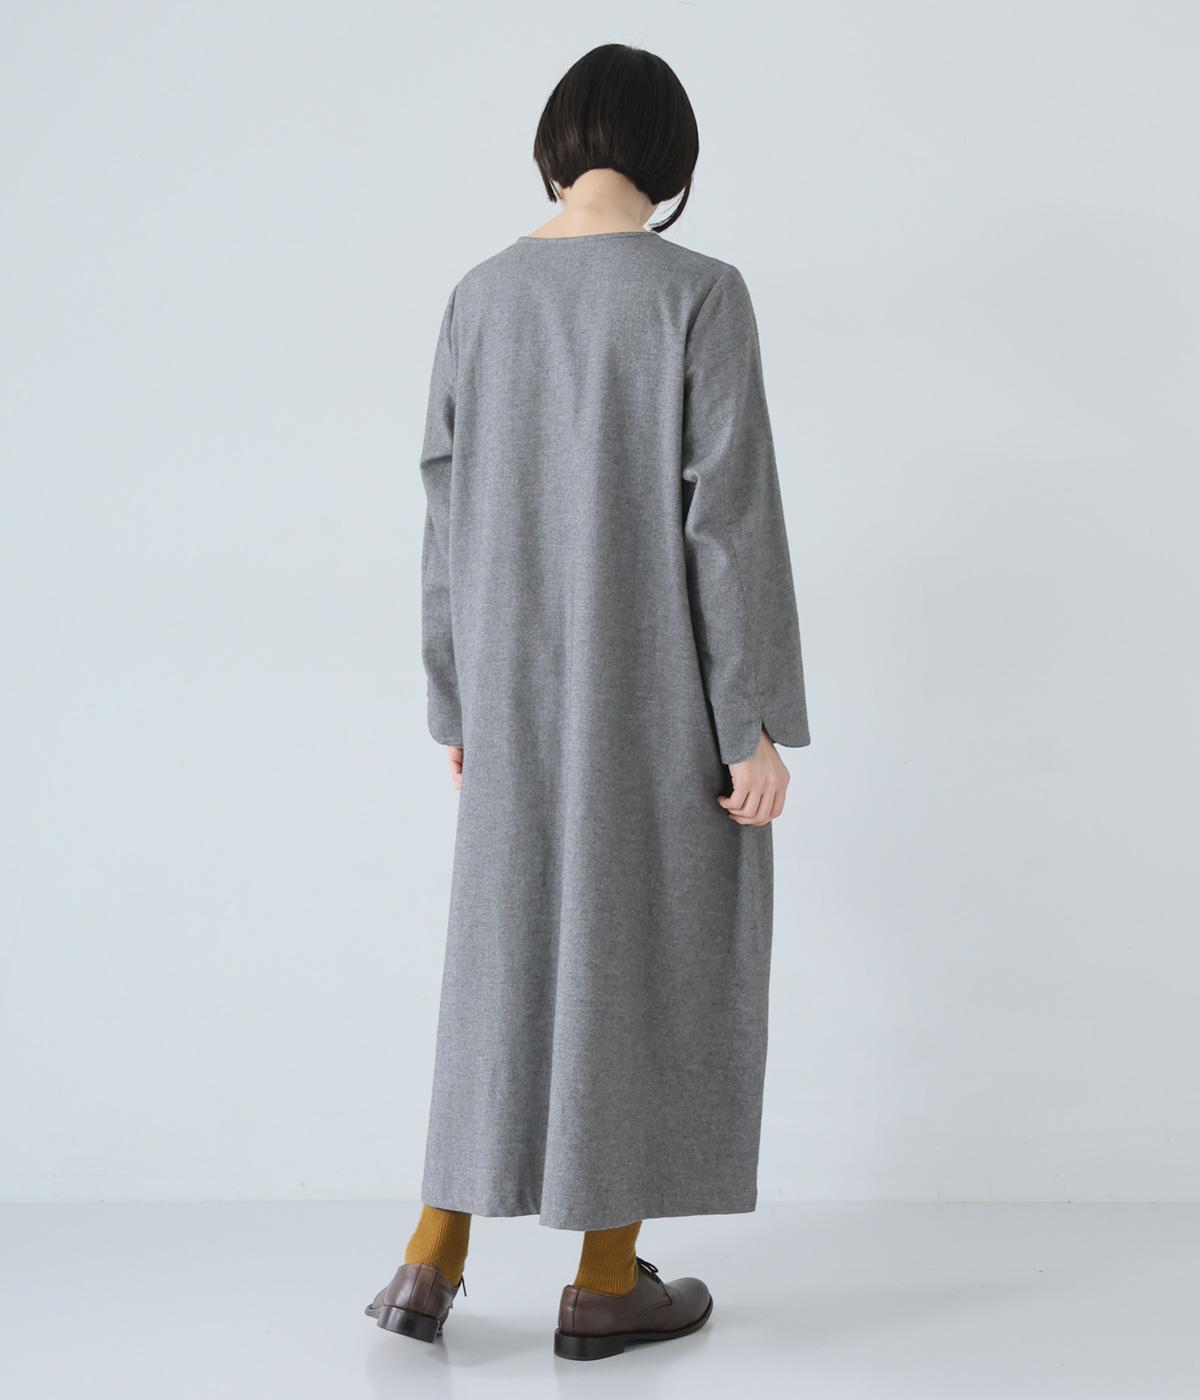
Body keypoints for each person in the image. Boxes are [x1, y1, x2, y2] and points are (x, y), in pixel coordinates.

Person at [366, 42, 809, 1362]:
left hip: (512, 695)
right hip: (654, 694)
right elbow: (725, 520)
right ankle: (606, 1282)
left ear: (556, 147)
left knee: (503, 958)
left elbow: (444, 513)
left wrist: (456, 701)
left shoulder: (481, 296)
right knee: (647, 955)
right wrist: (749, 720)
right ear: (671, 160)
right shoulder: (698, 293)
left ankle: (429, 1260)